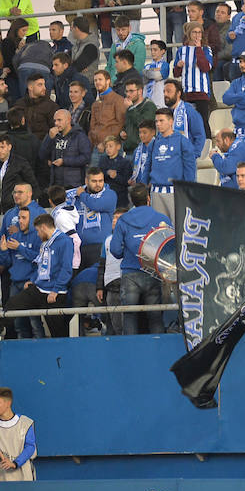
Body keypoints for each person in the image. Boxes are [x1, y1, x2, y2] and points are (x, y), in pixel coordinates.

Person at [110, 184, 171, 334]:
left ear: (131, 200)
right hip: (153, 272)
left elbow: (115, 250)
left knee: (130, 316)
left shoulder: (123, 220)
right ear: (148, 199)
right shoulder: (162, 218)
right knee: (155, 317)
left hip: (130, 273)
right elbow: (170, 248)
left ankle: (131, 352)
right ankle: (158, 351)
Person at [5, 213, 73, 338]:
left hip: (55, 293)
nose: (37, 234)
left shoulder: (65, 241)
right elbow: (41, 265)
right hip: (39, 288)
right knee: (12, 305)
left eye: (37, 231)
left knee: (58, 332)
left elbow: (66, 268)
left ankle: (63, 355)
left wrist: (56, 290)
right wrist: (33, 280)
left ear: (43, 228)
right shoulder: (45, 243)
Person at [1, 206, 44, 339]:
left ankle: (41, 352)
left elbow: (40, 258)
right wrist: (3, 250)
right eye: (19, 218)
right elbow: (8, 262)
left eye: (24, 218)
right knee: (19, 324)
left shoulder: (37, 237)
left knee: (35, 323)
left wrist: (20, 248)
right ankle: (23, 356)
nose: (20, 221)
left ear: (31, 220)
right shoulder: (14, 237)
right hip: (15, 283)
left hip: (30, 284)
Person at [147, 107, 196, 220]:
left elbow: (190, 167)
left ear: (171, 121)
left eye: (161, 121)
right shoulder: (153, 143)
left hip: (175, 192)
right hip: (156, 191)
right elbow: (147, 167)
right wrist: (145, 189)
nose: (158, 124)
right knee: (160, 228)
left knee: (177, 226)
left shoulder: (182, 141)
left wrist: (188, 190)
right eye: (156, 121)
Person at [40, 109, 92, 189]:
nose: (56, 123)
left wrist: (64, 161)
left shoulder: (80, 136)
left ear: (68, 120)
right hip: (56, 183)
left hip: (74, 184)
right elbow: (42, 155)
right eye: (55, 120)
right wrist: (49, 138)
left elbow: (86, 158)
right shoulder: (53, 135)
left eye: (59, 120)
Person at [96, 207, 127, 334]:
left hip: (127, 284)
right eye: (114, 217)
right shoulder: (107, 240)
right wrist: (99, 287)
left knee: (127, 323)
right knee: (115, 324)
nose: (114, 220)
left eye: (118, 218)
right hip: (111, 285)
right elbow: (102, 265)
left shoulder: (131, 238)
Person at [89, 70, 128, 163]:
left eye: (100, 79)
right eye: (95, 80)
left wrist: (105, 143)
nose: (97, 82)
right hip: (96, 148)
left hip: (111, 148)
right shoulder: (95, 104)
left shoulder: (118, 100)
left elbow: (120, 124)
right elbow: (92, 127)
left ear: (108, 81)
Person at [0, 387, 36, 480]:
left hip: (24, 475)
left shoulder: (25, 423)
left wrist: (15, 463)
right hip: (2, 476)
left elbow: (30, 447)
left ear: (8, 403)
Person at [163, 79, 205, 158]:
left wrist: (193, 155)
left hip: (185, 158)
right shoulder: (165, 113)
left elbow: (200, 135)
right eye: (164, 91)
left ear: (178, 93)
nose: (165, 94)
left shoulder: (189, 111)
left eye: (168, 91)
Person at [12, 74, 56, 142]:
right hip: (21, 143)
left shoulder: (51, 106)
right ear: (30, 87)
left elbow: (54, 129)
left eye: (44, 84)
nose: (44, 88)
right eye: (40, 85)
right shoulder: (19, 104)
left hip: (42, 145)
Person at [120, 78, 157, 156]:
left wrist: (131, 108)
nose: (128, 94)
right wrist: (123, 132)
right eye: (126, 91)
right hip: (129, 150)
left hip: (142, 151)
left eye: (131, 91)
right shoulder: (130, 107)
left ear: (140, 91)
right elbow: (127, 124)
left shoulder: (149, 106)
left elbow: (144, 124)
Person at [0, 137, 37, 214]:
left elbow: (32, 184)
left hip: (14, 208)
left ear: (9, 147)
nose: (0, 150)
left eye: (2, 147)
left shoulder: (20, 163)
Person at [105, 16, 146, 83]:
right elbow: (109, 65)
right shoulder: (114, 45)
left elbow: (138, 68)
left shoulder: (139, 44)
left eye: (123, 29)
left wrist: (116, 81)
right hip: (113, 84)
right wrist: (106, 79)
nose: (120, 32)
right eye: (118, 30)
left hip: (130, 84)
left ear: (129, 28)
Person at [69, 17, 100, 83]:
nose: (71, 30)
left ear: (76, 28)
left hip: (86, 84)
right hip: (76, 82)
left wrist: (73, 65)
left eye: (71, 28)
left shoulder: (91, 47)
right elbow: (66, 60)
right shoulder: (77, 44)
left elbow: (77, 67)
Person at [141, 40, 168, 110]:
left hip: (160, 102)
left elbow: (158, 76)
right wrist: (152, 71)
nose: (152, 52)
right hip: (145, 102)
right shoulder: (147, 66)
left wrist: (146, 72)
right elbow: (143, 80)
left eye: (155, 50)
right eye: (151, 50)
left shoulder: (165, 65)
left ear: (163, 51)